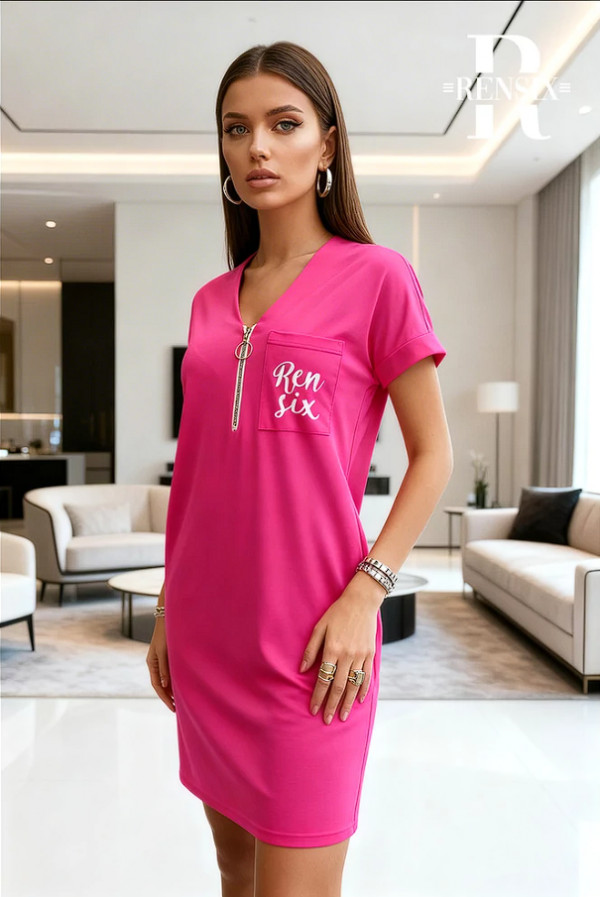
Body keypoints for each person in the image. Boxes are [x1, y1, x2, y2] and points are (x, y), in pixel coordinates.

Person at [147, 40, 453, 897]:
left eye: (284, 124)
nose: (258, 147)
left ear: (327, 144)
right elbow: (197, 475)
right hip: (209, 635)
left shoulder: (379, 279)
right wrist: (169, 603)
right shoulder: (210, 302)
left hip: (315, 643)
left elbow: (433, 455)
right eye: (236, 128)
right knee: (234, 871)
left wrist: (368, 592)